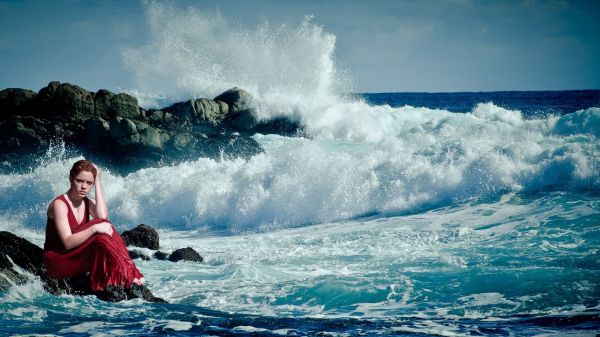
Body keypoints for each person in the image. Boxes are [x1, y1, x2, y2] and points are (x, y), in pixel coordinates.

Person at [44, 159, 144, 291]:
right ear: (70, 178)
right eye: (80, 181)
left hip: (75, 254)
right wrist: (94, 228)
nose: (84, 186)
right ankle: (128, 273)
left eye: (89, 183)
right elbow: (68, 242)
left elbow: (102, 216)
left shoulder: (86, 202)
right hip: (59, 261)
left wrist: (98, 181)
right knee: (99, 228)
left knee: (103, 227)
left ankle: (126, 271)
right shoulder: (60, 205)